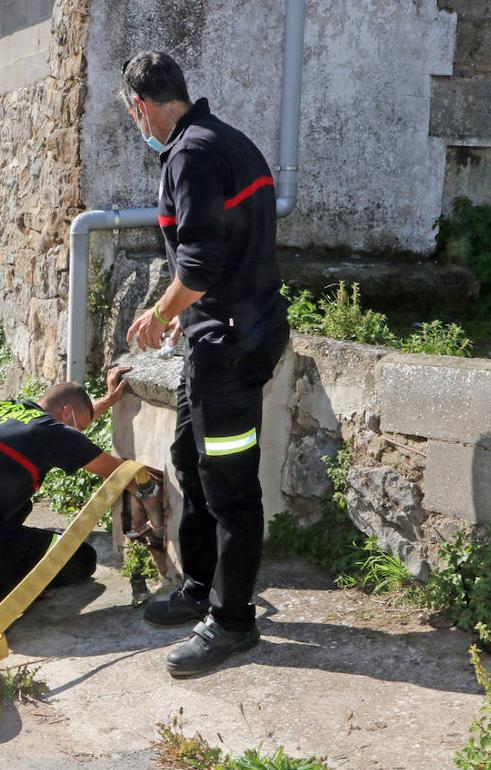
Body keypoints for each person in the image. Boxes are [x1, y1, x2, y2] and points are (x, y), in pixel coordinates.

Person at [120, 51, 290, 676]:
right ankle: (200, 588)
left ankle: (233, 622)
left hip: (230, 346)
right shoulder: (224, 141)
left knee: (229, 485)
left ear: (141, 106)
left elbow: (199, 262)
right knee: (191, 460)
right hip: (218, 340)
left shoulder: (190, 152)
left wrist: (159, 313)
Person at [0, 371, 131, 627]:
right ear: (65, 414)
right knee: (82, 560)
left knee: (20, 504)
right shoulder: (50, 433)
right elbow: (117, 470)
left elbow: (71, 427)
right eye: (81, 427)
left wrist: (108, 400)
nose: (80, 433)